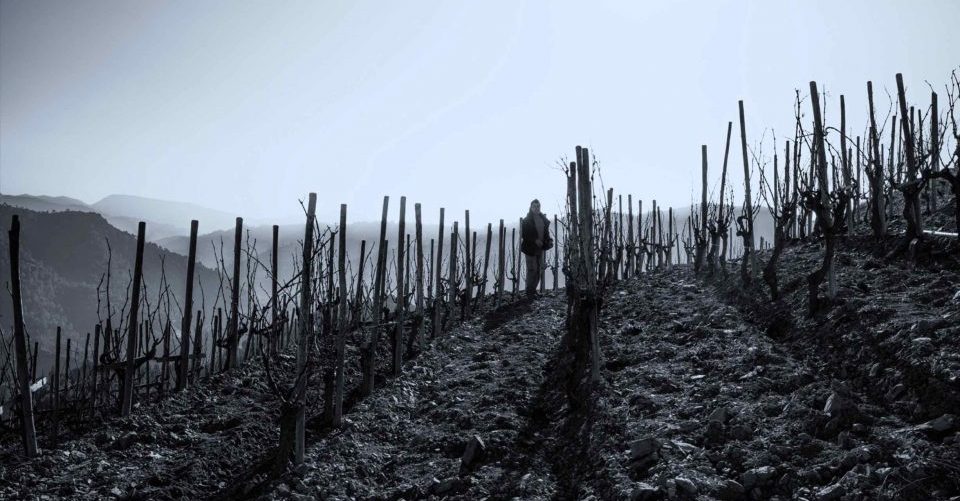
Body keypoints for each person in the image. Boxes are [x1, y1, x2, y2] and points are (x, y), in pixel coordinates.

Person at [520, 199, 552, 296]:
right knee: (532, 270)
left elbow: (546, 233)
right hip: (530, 248)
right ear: (531, 208)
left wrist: (549, 240)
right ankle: (529, 292)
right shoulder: (526, 220)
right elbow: (524, 234)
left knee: (539, 270)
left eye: (538, 206)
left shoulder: (543, 219)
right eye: (534, 206)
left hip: (540, 248)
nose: (537, 208)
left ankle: (533, 291)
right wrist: (534, 240)